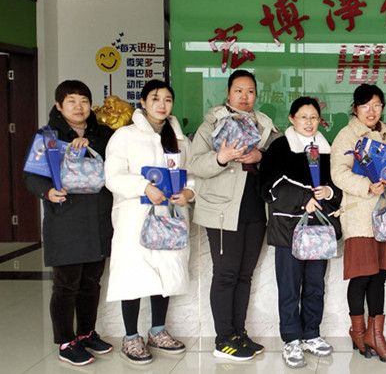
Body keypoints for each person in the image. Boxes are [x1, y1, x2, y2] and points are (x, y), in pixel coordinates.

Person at [188, 69, 281, 361]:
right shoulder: (211, 124)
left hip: (255, 208)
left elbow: (282, 159)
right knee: (226, 274)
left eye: (250, 91)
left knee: (244, 275)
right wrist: (221, 157)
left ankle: (238, 334)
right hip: (222, 209)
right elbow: (195, 164)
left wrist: (261, 156)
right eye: (239, 90)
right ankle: (223, 339)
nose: (244, 96)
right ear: (228, 93)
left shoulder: (265, 125)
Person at [23, 80, 114, 366]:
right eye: (71, 101)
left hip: (98, 216)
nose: (79, 107)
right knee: (66, 284)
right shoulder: (48, 137)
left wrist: (92, 144)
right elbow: (32, 175)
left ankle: (86, 334)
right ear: (59, 105)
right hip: (65, 218)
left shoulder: (104, 134)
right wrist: (47, 191)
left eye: (84, 101)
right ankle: (65, 341)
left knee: (91, 282)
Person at [104, 79, 195, 365]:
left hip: (170, 215)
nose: (162, 105)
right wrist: (143, 186)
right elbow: (113, 176)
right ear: (143, 102)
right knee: (133, 275)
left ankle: (158, 331)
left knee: (165, 273)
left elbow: (192, 174)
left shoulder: (180, 139)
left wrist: (189, 192)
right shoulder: (125, 136)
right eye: (155, 98)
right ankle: (131, 336)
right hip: (135, 217)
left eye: (167, 99)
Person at [260, 97, 342, 369]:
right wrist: (303, 198)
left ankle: (311, 334)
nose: (309, 122)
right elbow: (269, 186)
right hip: (289, 230)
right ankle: (291, 339)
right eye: (303, 117)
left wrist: (329, 192)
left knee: (316, 285)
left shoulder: (327, 149)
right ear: (292, 119)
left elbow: (339, 183)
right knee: (289, 287)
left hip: (318, 230)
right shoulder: (279, 148)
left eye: (314, 117)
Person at [330, 84, 386, 363]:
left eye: (377, 105)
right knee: (361, 275)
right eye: (365, 105)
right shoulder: (346, 135)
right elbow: (338, 173)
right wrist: (366, 186)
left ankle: (375, 334)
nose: (371, 111)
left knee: (379, 275)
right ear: (355, 108)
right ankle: (358, 331)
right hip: (360, 215)